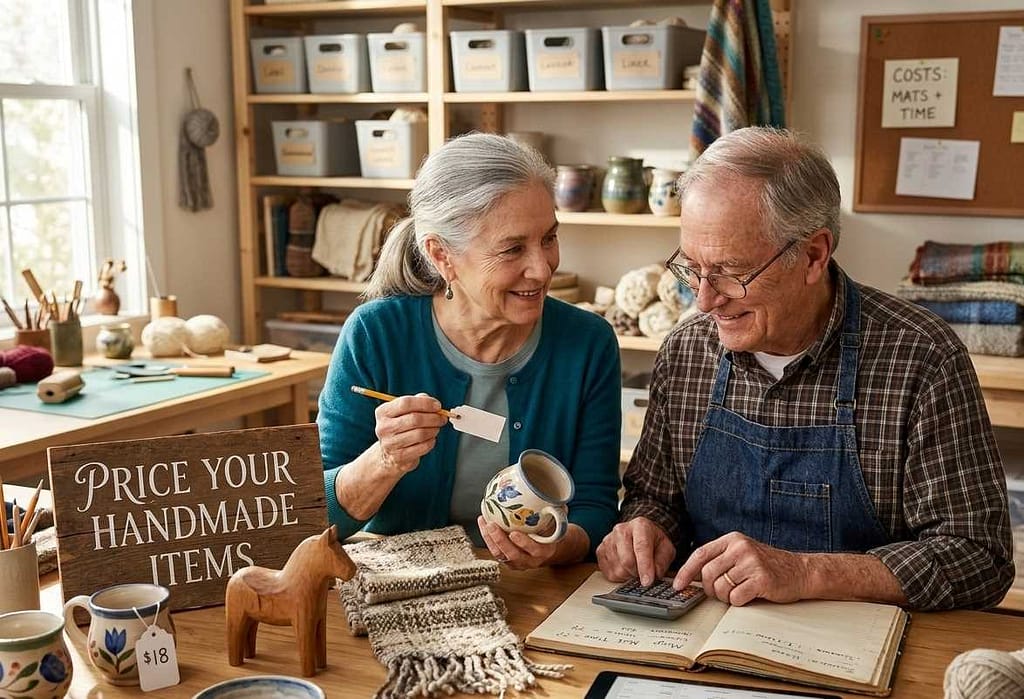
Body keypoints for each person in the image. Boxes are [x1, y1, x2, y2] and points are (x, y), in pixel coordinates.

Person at [596, 126, 1014, 610]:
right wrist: (646, 531)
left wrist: (807, 571)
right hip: (705, 632)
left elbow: (980, 556)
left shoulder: (920, 357)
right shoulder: (688, 351)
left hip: (856, 646)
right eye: (692, 267)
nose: (705, 300)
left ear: (813, 255)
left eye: (732, 272)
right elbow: (656, 498)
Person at [317, 133, 621, 569]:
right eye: (513, 248)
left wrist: (556, 546)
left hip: (529, 592)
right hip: (397, 586)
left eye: (549, 238)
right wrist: (384, 460)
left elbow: (595, 507)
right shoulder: (375, 334)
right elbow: (315, 515)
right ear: (442, 255)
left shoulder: (588, 344)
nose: (542, 267)